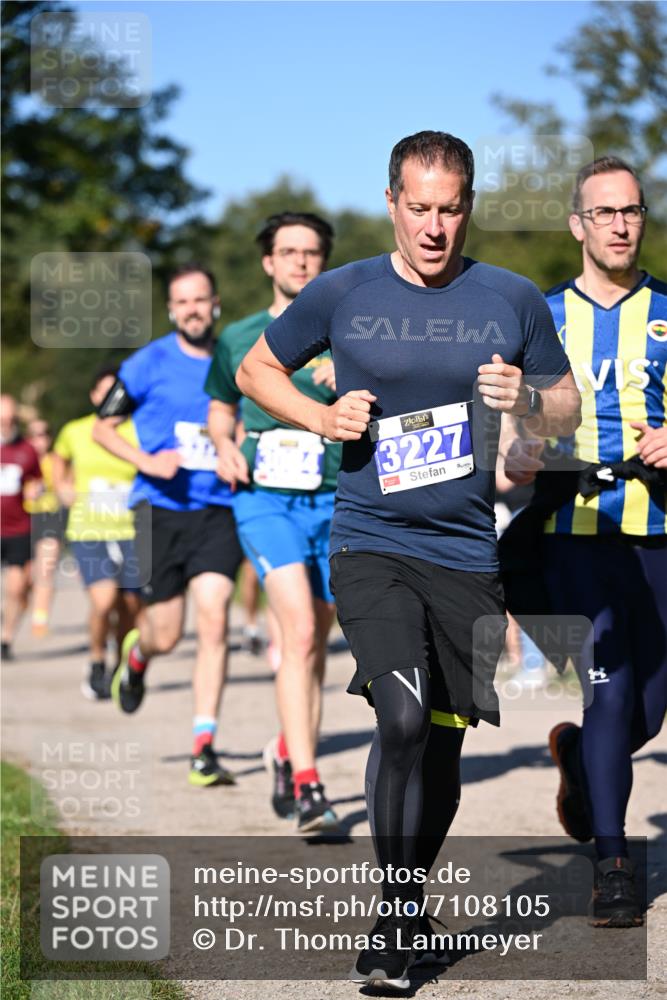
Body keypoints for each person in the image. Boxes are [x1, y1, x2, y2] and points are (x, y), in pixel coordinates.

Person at [235, 131, 580, 988]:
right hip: (369, 540)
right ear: (391, 201)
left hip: (465, 551)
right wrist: (321, 420)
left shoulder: (509, 298)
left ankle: (409, 897)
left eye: (450, 209)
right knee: (399, 716)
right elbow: (254, 370)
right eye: (417, 208)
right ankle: (392, 922)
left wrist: (529, 400)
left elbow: (565, 410)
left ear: (468, 208)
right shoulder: (342, 290)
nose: (433, 227)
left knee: (442, 743)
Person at [503, 156, 667, 928]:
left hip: (659, 523)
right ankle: (612, 863)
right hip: (571, 524)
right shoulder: (538, 314)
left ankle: (575, 759)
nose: (620, 224)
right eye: (603, 212)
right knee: (608, 679)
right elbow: (509, 423)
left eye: (630, 210)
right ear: (577, 224)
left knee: (646, 709)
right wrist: (517, 454)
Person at [206, 211, 342, 832]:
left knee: (315, 640)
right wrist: (223, 444)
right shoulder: (238, 336)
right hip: (266, 499)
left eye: (311, 252)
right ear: (268, 262)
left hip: (336, 497)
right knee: (297, 631)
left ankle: (287, 751)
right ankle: (311, 788)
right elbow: (220, 406)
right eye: (288, 252)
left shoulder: (349, 330)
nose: (300, 262)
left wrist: (352, 374)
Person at [93, 264, 244, 787]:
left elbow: (245, 419)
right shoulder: (146, 362)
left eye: (201, 300)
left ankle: (204, 745)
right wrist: (146, 460)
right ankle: (138, 655)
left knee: (216, 616)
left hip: (218, 510)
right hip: (158, 508)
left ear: (215, 303)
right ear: (172, 310)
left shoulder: (235, 358)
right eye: (183, 302)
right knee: (167, 633)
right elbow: (102, 429)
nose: (193, 310)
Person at [51, 367, 144, 699]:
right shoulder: (76, 431)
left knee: (131, 604)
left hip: (132, 530)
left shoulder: (140, 430)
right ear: (94, 396)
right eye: (104, 393)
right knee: (104, 600)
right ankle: (96, 661)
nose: (111, 399)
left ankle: (121, 666)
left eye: (116, 392)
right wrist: (61, 485)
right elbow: (58, 458)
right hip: (89, 528)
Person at [1, 395, 41, 659]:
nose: (7, 423)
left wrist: (36, 490)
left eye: (11, 418)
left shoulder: (27, 449)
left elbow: (36, 479)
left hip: (17, 527)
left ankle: (5, 638)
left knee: (17, 588)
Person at [25, 418, 69, 637]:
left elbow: (69, 487)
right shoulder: (18, 459)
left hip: (49, 517)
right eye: (33, 435)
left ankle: (39, 617)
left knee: (45, 570)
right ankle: (21, 602)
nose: (38, 440)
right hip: (22, 519)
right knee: (25, 576)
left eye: (43, 435)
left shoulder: (55, 461)